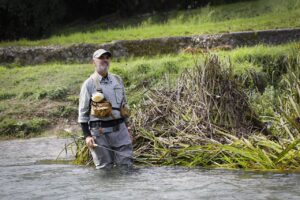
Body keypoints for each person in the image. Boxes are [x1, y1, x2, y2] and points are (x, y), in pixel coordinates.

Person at [78, 49, 133, 169]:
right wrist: (87, 136)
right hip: (99, 133)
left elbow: (125, 105)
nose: (105, 60)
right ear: (93, 62)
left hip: (121, 130)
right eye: (101, 58)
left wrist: (128, 127)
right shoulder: (88, 84)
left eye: (107, 57)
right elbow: (83, 114)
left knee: (126, 167)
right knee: (104, 170)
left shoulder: (118, 80)